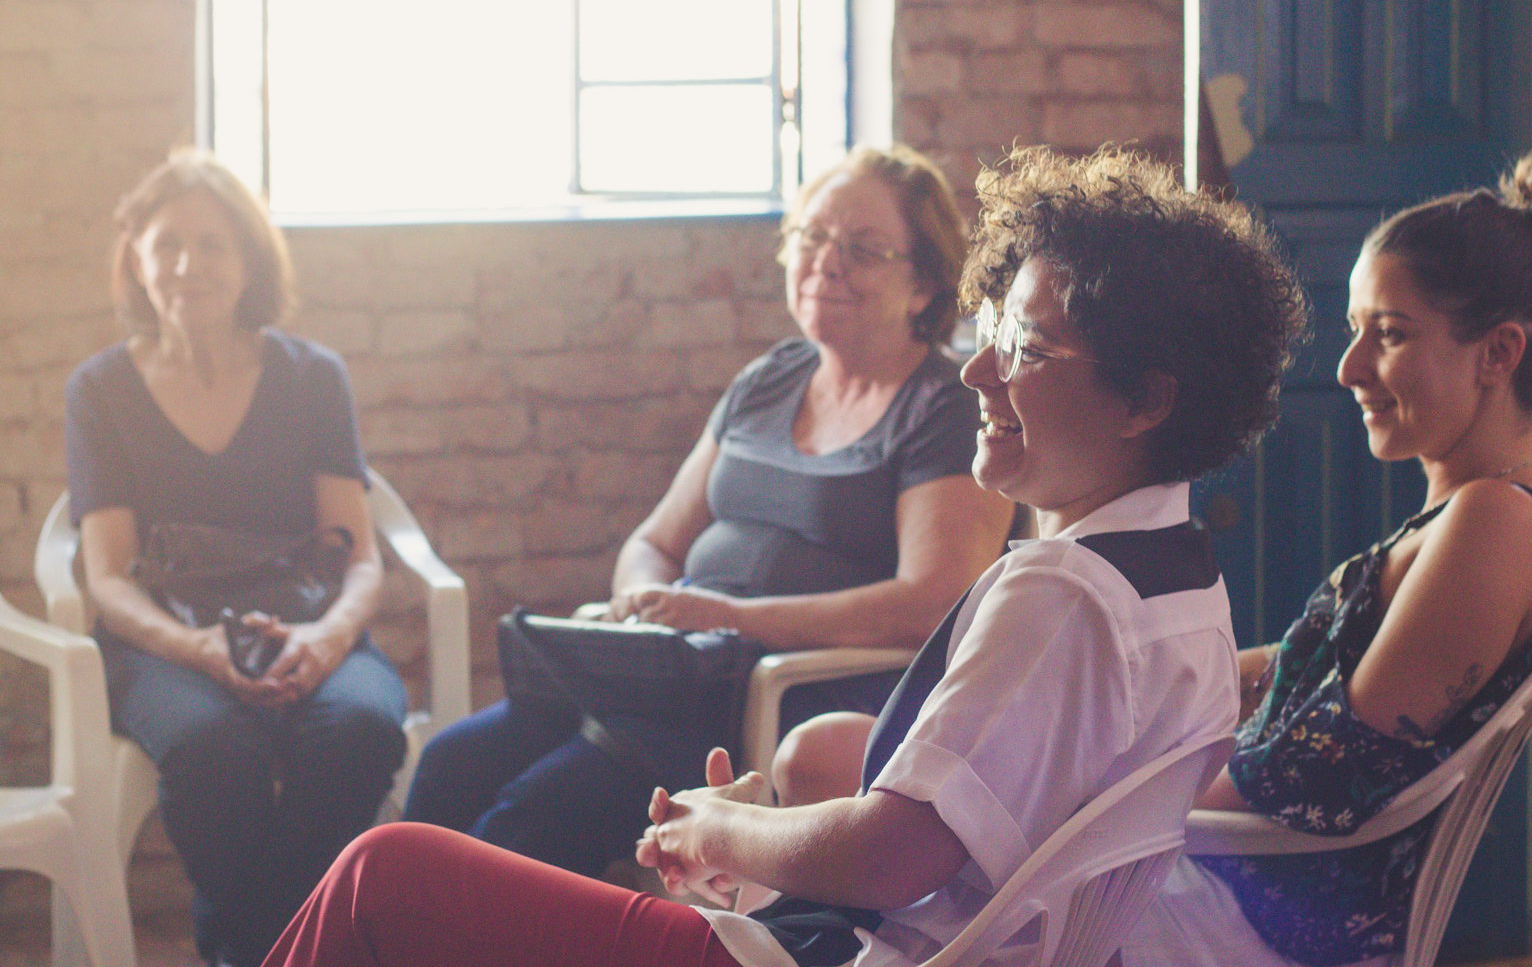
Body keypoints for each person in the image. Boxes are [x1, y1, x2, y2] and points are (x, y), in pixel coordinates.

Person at [259, 144, 1307, 967]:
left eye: (1027, 348)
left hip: (846, 953)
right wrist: (777, 818)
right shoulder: (1177, 573)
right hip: (915, 933)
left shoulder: (1059, 590)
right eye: (995, 328)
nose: (981, 368)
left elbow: (892, 856)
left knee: (386, 873)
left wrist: (721, 835)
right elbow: (974, 817)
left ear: (1145, 399)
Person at [401, 144, 1016, 877]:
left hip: (775, 697)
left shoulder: (944, 409)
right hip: (668, 670)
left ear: (923, 286)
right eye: (812, 239)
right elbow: (656, 541)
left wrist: (729, 620)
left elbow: (932, 603)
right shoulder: (769, 379)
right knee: (449, 765)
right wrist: (639, 599)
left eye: (863, 248)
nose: (827, 262)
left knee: (533, 813)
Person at [1118, 154, 1532, 967]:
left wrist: (1098, 805)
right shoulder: (1473, 506)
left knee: (947, 866)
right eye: (1355, 330)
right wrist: (1143, 688)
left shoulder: (1496, 521)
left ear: (1497, 353)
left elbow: (1324, 765)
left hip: (1263, 919)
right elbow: (1312, 675)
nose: (1349, 370)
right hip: (1241, 885)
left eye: (1388, 334)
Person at [65, 149, 408, 967]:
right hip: (166, 643)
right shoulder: (100, 390)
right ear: (137, 263)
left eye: (212, 244)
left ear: (249, 258)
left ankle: (248, 950)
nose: (188, 266)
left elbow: (360, 557)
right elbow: (107, 575)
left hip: (307, 625)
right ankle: (293, 951)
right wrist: (198, 651)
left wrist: (327, 642)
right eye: (167, 245)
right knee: (214, 751)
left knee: (360, 726)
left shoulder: (312, 376)